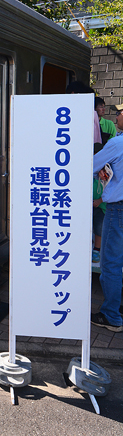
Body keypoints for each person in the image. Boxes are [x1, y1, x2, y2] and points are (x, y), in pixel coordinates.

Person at [91, 108, 123, 332]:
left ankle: (111, 316)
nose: (117, 117)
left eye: (121, 113)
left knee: (111, 263)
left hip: (118, 209)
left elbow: (90, 165)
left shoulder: (116, 144)